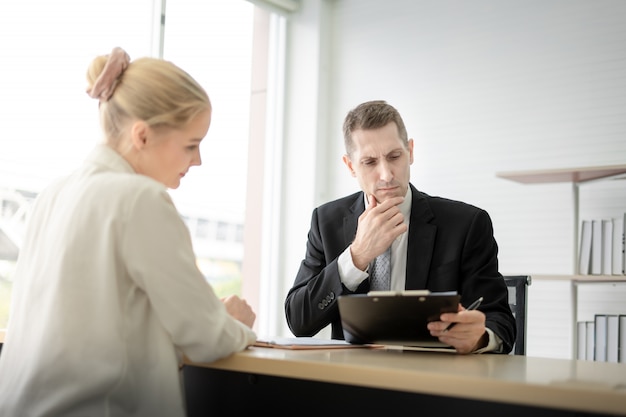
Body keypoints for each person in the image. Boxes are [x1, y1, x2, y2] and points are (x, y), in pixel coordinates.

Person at [0, 47, 257, 416]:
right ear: (141, 136)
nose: (197, 160)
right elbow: (207, 338)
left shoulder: (52, 194)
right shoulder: (141, 199)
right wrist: (233, 323)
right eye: (191, 144)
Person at [284, 100, 516, 354]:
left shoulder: (467, 224)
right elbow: (298, 320)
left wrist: (480, 338)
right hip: (352, 380)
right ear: (351, 166)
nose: (386, 174)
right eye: (370, 162)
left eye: (394, 156)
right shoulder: (326, 221)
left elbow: (501, 321)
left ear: (411, 151)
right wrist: (356, 257)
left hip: (433, 381)